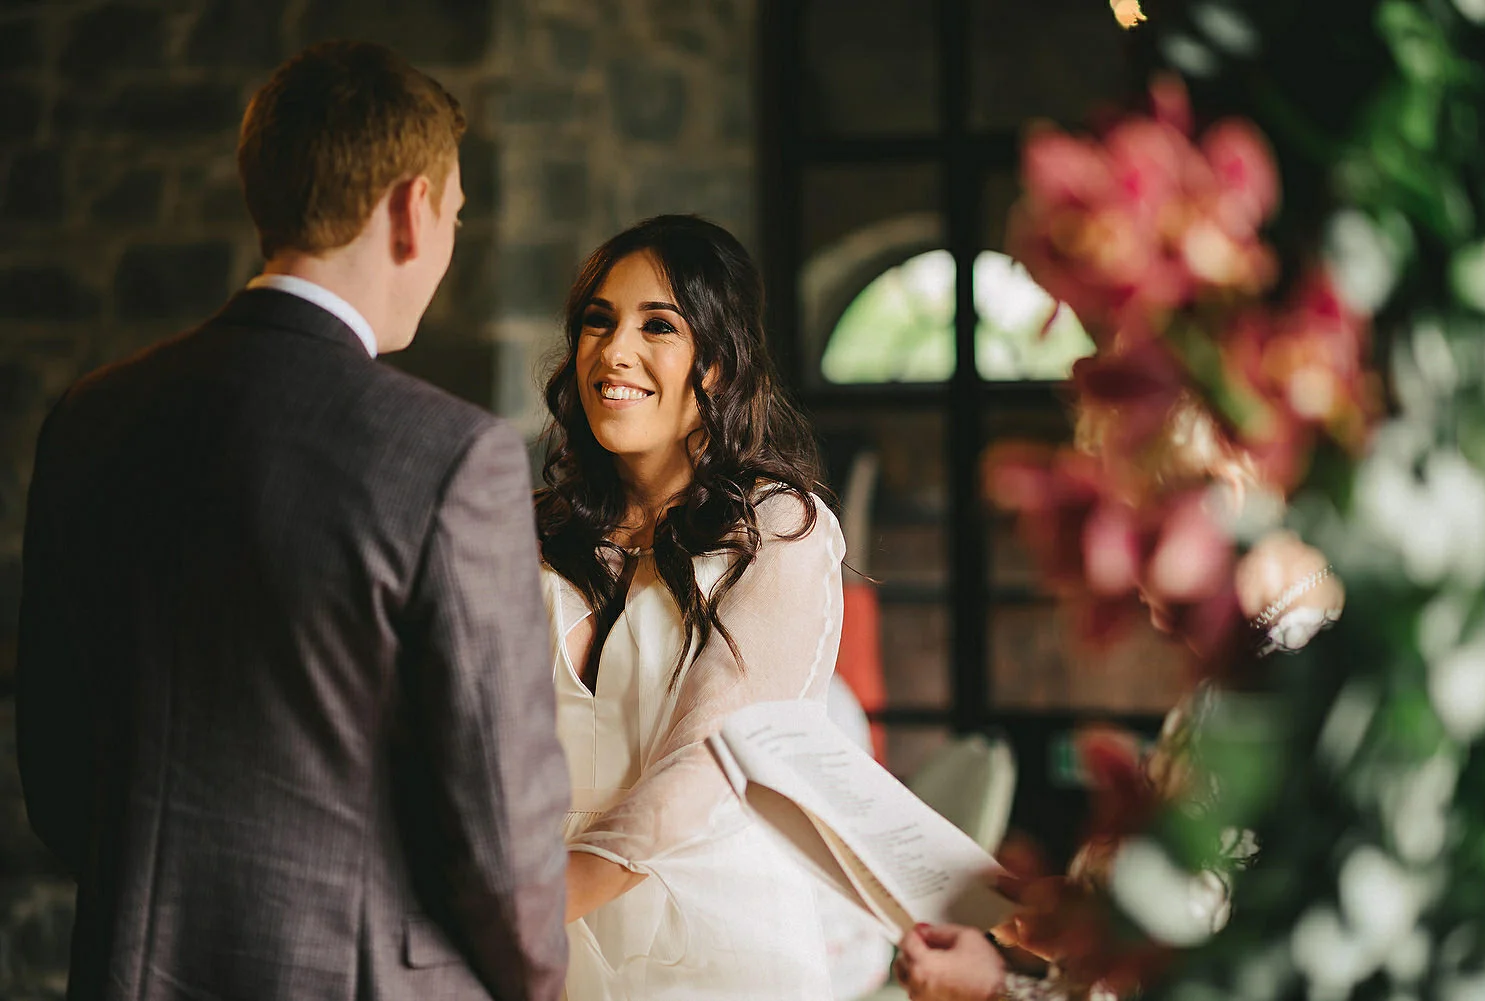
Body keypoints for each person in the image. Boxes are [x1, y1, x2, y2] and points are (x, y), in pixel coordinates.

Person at [16, 41, 569, 1001]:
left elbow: (58, 772)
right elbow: (501, 824)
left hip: (131, 966)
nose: (446, 243)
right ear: (409, 209)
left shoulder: (92, 417)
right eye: (454, 215)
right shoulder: (447, 453)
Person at [893, 395, 1345, 1001]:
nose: (1122, 576)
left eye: (1141, 531)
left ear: (1228, 493)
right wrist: (1084, 925)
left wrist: (996, 992)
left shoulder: (1294, 700)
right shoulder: (1259, 668)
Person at [534, 214, 846, 999]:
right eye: (596, 323)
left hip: (715, 954)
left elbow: (708, 758)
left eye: (658, 326)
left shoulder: (780, 531)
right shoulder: (528, 533)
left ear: (716, 364)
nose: (613, 353)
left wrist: (531, 907)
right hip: (550, 956)